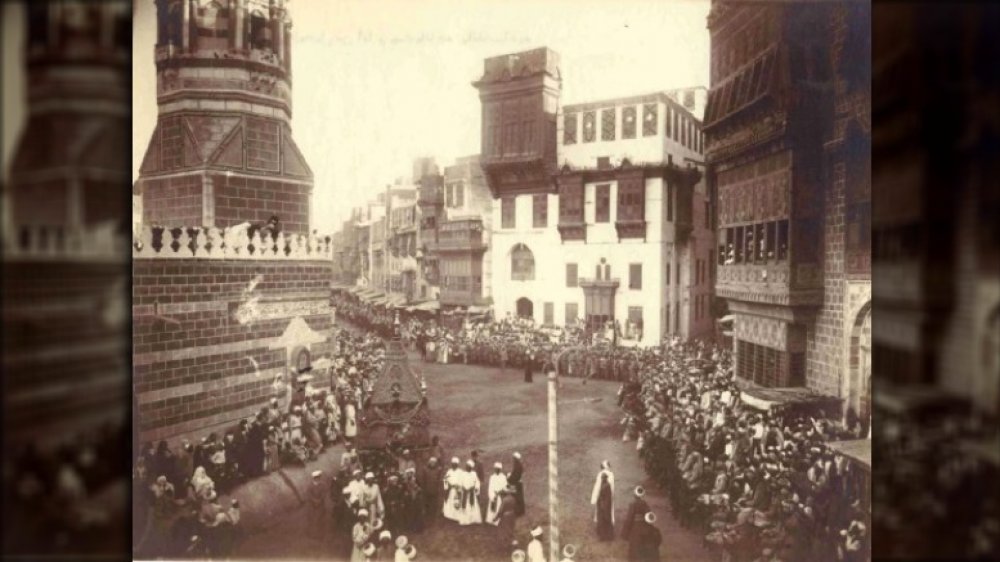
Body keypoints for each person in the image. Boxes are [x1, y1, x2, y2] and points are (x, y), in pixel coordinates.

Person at [590, 460, 615, 525]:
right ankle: (609, 520)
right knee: (609, 507)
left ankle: (599, 520)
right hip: (609, 495)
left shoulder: (600, 474)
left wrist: (594, 499)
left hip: (601, 495)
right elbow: (612, 487)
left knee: (600, 508)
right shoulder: (611, 474)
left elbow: (597, 486)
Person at [460, 460, 483, 525]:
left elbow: (477, 482)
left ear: (471, 467)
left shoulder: (474, 474)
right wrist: (462, 488)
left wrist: (475, 488)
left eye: (468, 466)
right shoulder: (463, 473)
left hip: (471, 492)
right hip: (464, 491)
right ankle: (465, 520)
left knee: (472, 505)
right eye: (466, 466)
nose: (466, 467)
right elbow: (460, 482)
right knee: (464, 504)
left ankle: (473, 519)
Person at [594, 473, 615, 541]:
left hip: (605, 507)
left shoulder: (607, 485)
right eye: (602, 478)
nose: (603, 479)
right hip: (601, 505)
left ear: (606, 478)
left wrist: (604, 506)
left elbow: (608, 498)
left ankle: (608, 536)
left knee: (606, 521)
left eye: (604, 478)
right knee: (601, 521)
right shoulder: (602, 485)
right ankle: (602, 536)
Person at [497, 486, 518, 551]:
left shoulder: (505, 500)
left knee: (504, 530)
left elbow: (501, 510)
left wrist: (496, 517)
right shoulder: (514, 499)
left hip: (506, 517)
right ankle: (514, 543)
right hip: (512, 515)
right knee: (511, 529)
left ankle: (506, 545)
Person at [443, 458, 463, 522]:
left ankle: (457, 516)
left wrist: (458, 486)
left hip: (457, 489)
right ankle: (450, 515)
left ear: (457, 464)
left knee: (457, 501)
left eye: (455, 464)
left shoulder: (460, 472)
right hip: (451, 489)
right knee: (450, 500)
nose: (454, 465)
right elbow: (445, 479)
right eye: (453, 464)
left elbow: (462, 480)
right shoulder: (449, 471)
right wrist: (448, 486)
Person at [308, 470, 326, 540]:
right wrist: (314, 500)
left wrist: (319, 500)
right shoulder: (310, 486)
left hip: (321, 505)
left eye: (318, 477)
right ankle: (313, 535)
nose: (317, 479)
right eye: (316, 477)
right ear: (314, 478)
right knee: (312, 519)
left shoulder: (323, 485)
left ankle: (320, 535)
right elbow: (309, 495)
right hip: (312, 506)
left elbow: (324, 494)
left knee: (320, 520)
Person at [509, 452, 525, 516]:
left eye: (514, 458)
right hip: (517, 483)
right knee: (519, 497)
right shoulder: (518, 465)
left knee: (516, 497)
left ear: (516, 458)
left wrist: (509, 479)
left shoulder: (517, 465)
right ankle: (520, 511)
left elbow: (516, 476)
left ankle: (518, 511)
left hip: (516, 483)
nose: (513, 459)